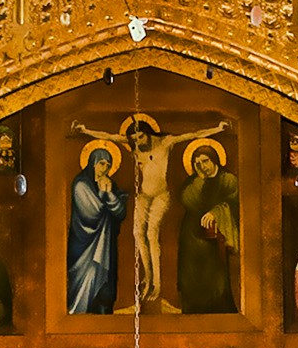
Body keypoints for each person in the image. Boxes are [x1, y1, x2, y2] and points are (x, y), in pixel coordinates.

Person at [71, 117, 230, 304]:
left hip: (161, 196)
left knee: (151, 234)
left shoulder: (165, 142)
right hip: (143, 196)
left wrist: (217, 128)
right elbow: (108, 136)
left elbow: (193, 135)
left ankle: (158, 283)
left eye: (140, 137)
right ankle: (147, 277)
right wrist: (84, 130)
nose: (138, 141)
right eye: (135, 139)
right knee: (138, 233)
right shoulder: (135, 145)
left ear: (148, 133)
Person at [176, 144, 240, 313]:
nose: (202, 166)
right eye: (197, 163)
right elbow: (188, 201)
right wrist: (200, 179)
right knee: (191, 275)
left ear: (215, 160)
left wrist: (217, 212)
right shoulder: (194, 181)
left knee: (215, 277)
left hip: (216, 239)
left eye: (205, 161)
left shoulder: (228, 179)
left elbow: (235, 202)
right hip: (191, 236)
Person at [66, 147, 129, 314]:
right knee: (84, 283)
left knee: (106, 287)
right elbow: (91, 213)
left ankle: (104, 314)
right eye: (101, 163)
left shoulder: (111, 185)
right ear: (92, 163)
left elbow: (121, 213)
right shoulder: (81, 184)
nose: (105, 168)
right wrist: (104, 193)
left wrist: (110, 194)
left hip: (106, 245)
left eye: (108, 165)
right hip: (84, 245)